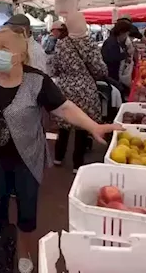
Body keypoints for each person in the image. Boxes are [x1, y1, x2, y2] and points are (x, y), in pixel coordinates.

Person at [0, 25, 121, 273]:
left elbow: (65, 108)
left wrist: (93, 126)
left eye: (4, 47)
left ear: (21, 55)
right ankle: (1, 253)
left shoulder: (37, 81)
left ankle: (25, 251)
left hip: (27, 157)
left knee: (27, 211)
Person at [51, 13, 109, 173]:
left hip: (65, 87)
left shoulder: (61, 44)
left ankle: (58, 157)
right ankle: (77, 163)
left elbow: (54, 68)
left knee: (64, 123)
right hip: (85, 88)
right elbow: (100, 69)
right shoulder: (89, 43)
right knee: (82, 126)